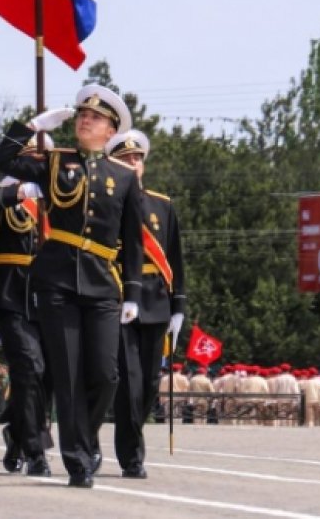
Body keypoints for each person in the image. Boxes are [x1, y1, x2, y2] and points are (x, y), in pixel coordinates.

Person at [0, 85, 144, 488]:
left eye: (94, 117)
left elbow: (134, 241)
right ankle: (76, 459)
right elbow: (1, 158)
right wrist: (31, 126)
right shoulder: (56, 162)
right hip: (57, 280)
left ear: (111, 131)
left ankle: (84, 434)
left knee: (106, 374)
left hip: (102, 283)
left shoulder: (125, 178)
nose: (84, 120)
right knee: (69, 374)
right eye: (81, 115)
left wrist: (133, 292)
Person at [107, 128, 185, 478]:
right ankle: (132, 456)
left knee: (150, 384)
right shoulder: (106, 204)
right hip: (121, 298)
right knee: (129, 382)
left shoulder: (162, 205)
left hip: (157, 300)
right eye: (125, 159)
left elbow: (176, 259)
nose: (133, 163)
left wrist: (179, 306)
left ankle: (131, 438)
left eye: (137, 158)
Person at [0, 171, 52, 476]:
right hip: (10, 295)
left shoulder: (57, 194)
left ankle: (16, 432)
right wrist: (20, 190)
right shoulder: (4, 196)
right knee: (31, 367)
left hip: (50, 296)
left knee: (46, 377)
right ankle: (35, 451)